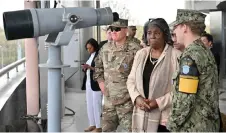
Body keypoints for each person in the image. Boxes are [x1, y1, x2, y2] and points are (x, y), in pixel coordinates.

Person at [167, 9, 220, 132]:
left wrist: (172, 124)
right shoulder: (204, 50)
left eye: (176, 27)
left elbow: (186, 99)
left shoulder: (190, 56)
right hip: (207, 124)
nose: (174, 31)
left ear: (184, 27)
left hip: (193, 126)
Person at [127, 18, 181, 132]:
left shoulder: (176, 56)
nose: (152, 36)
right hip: (141, 112)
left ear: (165, 35)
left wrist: (157, 103)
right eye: (149, 33)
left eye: (157, 33)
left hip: (164, 117)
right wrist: (137, 98)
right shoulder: (141, 54)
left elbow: (180, 90)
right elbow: (131, 80)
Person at [94, 18, 141, 132]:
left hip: (127, 102)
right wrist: (101, 83)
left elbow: (141, 75)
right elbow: (98, 67)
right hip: (109, 101)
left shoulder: (136, 49)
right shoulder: (105, 48)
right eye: (111, 29)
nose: (113, 31)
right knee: (107, 130)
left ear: (125, 30)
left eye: (117, 29)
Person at [82, 38, 102, 132]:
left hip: (96, 83)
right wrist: (85, 68)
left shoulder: (99, 55)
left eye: (90, 48)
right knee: (89, 104)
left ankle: (99, 126)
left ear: (94, 46)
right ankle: (92, 124)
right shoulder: (90, 56)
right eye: (87, 48)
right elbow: (89, 68)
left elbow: (101, 69)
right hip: (89, 82)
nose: (88, 50)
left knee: (96, 105)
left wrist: (90, 67)